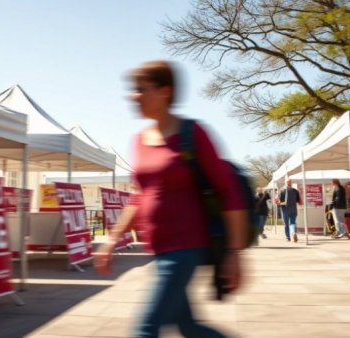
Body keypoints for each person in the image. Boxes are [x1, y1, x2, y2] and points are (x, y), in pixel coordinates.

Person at [94, 60, 247, 338]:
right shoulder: (139, 140)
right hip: (160, 248)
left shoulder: (192, 133)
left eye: (141, 89)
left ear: (165, 91)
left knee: (145, 330)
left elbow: (229, 192)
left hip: (186, 246)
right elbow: (140, 196)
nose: (133, 96)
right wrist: (112, 239)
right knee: (187, 327)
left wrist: (235, 255)